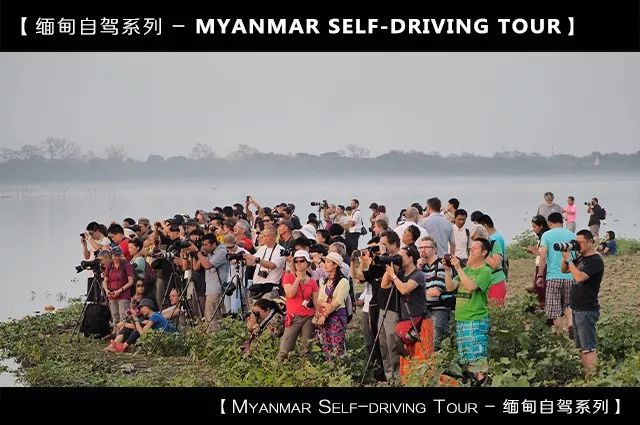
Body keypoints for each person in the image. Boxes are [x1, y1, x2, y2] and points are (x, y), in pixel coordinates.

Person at [443, 239, 493, 386]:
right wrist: (447, 270)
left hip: (476, 319)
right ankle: (473, 382)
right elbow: (451, 287)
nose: (472, 250)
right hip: (462, 318)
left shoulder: (485, 271)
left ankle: (482, 383)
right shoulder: (466, 271)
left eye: (476, 248)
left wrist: (458, 268)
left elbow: (471, 286)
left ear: (484, 252)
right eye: (471, 247)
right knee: (468, 357)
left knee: (478, 357)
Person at [382, 244, 432, 380]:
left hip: (421, 322)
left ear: (410, 258)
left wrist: (393, 275)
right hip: (405, 322)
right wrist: (390, 269)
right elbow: (384, 285)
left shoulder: (418, 275)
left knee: (422, 360)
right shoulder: (400, 274)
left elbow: (404, 289)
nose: (399, 259)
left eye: (401, 257)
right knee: (407, 361)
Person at [560, 229, 604, 376]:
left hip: (587, 309)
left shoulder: (596, 260)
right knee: (582, 348)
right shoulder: (581, 257)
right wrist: (565, 256)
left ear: (591, 241)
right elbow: (564, 270)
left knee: (588, 348)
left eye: (580, 243)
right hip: (577, 308)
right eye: (576, 242)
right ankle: (588, 377)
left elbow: (578, 277)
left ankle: (593, 379)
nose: (577, 245)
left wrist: (569, 259)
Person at [539, 212, 576, 335]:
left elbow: (543, 256)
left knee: (554, 309)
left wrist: (540, 275)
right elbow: (575, 256)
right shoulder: (572, 235)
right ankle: (570, 323)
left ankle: (560, 335)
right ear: (562, 222)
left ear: (549, 223)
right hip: (570, 276)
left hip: (553, 276)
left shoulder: (546, 235)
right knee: (568, 304)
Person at [278, 250, 319, 360]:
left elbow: (316, 302)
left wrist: (319, 315)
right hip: (293, 316)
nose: (299, 263)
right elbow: (290, 294)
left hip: (308, 317)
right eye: (296, 261)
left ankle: (306, 372)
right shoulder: (288, 276)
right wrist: (297, 280)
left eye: (302, 261)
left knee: (306, 350)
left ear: (307, 263)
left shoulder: (312, 282)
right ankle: (279, 371)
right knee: (284, 349)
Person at [105, 298, 177, 353]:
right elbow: (137, 326)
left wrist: (136, 319)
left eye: (142, 307)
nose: (141, 310)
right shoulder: (156, 315)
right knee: (137, 328)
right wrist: (131, 319)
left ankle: (123, 347)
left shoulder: (154, 317)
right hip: (168, 339)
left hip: (169, 341)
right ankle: (119, 346)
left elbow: (142, 333)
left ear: (148, 307)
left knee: (138, 331)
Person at [417, 236, 452, 349]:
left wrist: (417, 295)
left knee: (436, 345)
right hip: (424, 310)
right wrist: (418, 269)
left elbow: (436, 292)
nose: (423, 250)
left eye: (426, 247)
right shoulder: (422, 267)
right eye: (420, 247)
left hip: (438, 310)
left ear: (435, 250)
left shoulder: (441, 265)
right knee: (424, 345)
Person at [315, 252, 351, 357]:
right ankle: (329, 367)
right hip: (325, 315)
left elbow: (338, 302)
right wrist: (325, 308)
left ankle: (338, 368)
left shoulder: (343, 282)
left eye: (328, 262)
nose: (325, 265)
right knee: (326, 343)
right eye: (325, 262)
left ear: (335, 265)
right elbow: (319, 300)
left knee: (337, 343)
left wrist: (325, 313)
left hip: (337, 316)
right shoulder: (323, 281)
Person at [193, 233, 229, 331]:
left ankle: (213, 340)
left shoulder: (221, 252)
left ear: (213, 244)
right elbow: (196, 267)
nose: (204, 247)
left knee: (211, 320)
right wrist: (193, 253)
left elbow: (207, 265)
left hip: (216, 290)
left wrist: (197, 252)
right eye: (203, 245)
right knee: (212, 319)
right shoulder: (210, 253)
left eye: (205, 245)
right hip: (210, 290)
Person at [243, 225, 286, 301]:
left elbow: (272, 265)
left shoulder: (280, 250)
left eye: (267, 236)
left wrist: (257, 260)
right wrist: (243, 260)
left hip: (270, 287)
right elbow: (252, 262)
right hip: (257, 286)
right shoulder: (262, 248)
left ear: (275, 236)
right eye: (263, 236)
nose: (264, 238)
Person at [475, 215, 508, 306]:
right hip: (482, 283)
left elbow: (496, 264)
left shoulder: (494, 242)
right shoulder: (474, 247)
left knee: (496, 311)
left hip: (495, 280)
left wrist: (483, 255)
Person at [102, 246, 134, 337]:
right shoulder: (109, 265)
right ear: (111, 256)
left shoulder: (126, 264)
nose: (117, 258)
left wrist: (120, 290)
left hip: (123, 294)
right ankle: (116, 337)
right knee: (115, 317)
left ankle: (122, 338)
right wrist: (106, 290)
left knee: (123, 317)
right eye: (115, 256)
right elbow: (105, 280)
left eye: (119, 255)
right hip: (112, 294)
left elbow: (131, 281)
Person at [526, 215, 551, 310]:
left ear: (541, 226)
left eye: (534, 227)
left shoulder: (545, 236)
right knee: (538, 289)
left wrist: (535, 252)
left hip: (543, 266)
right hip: (540, 265)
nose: (533, 229)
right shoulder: (542, 237)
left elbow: (547, 254)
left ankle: (541, 309)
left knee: (541, 289)